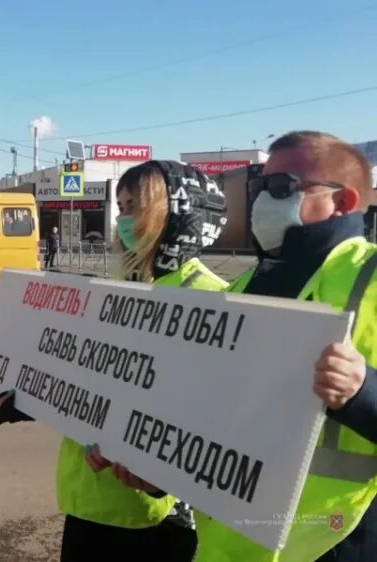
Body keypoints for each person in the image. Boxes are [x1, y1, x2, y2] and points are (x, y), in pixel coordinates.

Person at [141, 132, 376, 562]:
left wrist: (363, 392)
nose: (262, 201)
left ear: (344, 202)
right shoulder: (250, 283)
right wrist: (158, 472)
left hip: (331, 543)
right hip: (227, 543)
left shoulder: (372, 278)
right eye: (258, 187)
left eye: (281, 187)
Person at [0, 160, 229, 562]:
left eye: (134, 206)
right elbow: (88, 377)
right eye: (120, 207)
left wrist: (157, 475)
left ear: (176, 212)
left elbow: (213, 422)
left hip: (154, 514)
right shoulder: (118, 288)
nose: (123, 219)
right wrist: (30, 396)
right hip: (90, 498)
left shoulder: (212, 297)